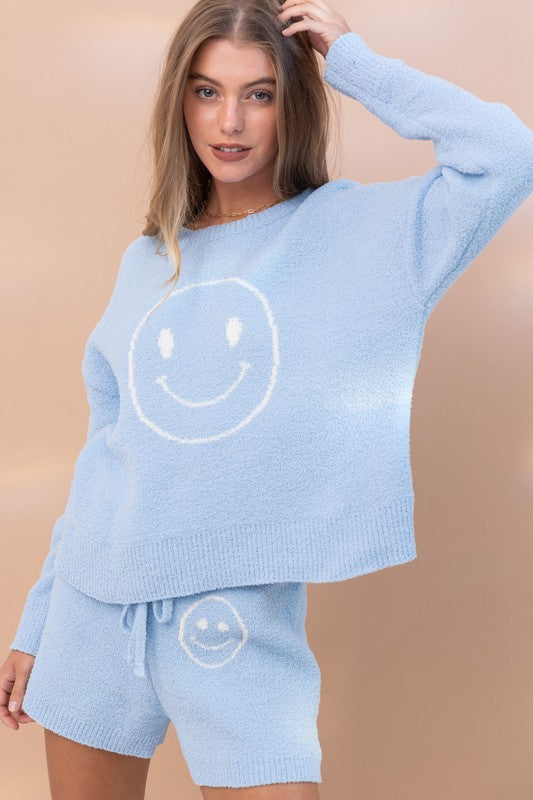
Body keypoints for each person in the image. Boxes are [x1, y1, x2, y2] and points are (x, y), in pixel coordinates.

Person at [2, 0, 533, 798]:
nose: (230, 121)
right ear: (178, 103)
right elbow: (107, 448)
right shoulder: (147, 259)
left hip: (236, 618)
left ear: (296, 102)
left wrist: (354, 61)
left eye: (259, 93)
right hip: (92, 612)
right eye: (207, 91)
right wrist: (39, 622)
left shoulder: (364, 235)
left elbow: (506, 154)